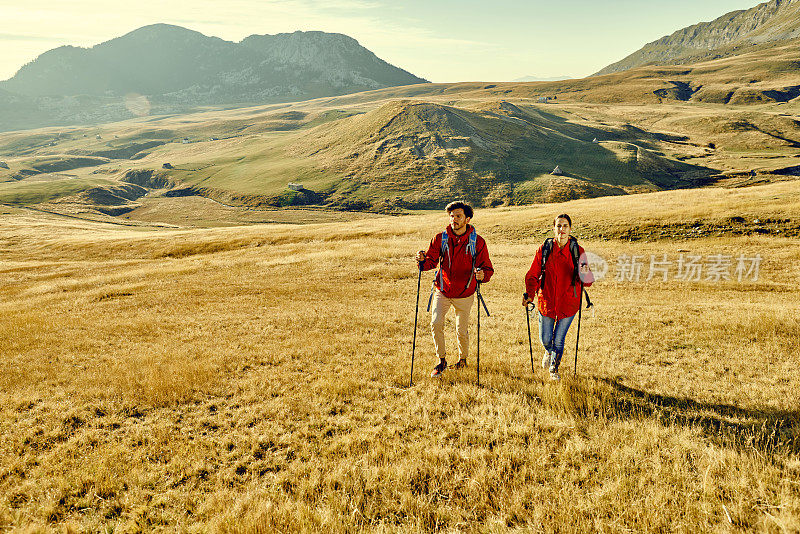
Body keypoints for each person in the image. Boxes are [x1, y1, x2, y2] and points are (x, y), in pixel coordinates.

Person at [416, 201, 494, 377]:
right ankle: (441, 361)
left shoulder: (478, 242)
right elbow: (430, 262)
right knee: (436, 324)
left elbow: (487, 268)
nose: (454, 219)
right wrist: (422, 261)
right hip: (442, 290)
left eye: (458, 216)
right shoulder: (440, 238)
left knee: (461, 330)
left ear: (467, 218)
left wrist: (483, 275)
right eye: (451, 216)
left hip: (465, 294)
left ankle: (463, 360)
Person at [523, 214, 594, 380]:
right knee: (545, 339)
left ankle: (554, 369)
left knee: (559, 340)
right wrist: (529, 295)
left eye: (565, 226)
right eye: (559, 226)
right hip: (546, 301)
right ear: (554, 228)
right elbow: (533, 274)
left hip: (568, 303)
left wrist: (583, 273)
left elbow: (588, 281)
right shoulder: (544, 249)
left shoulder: (578, 251)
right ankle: (548, 351)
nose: (562, 229)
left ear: (570, 229)